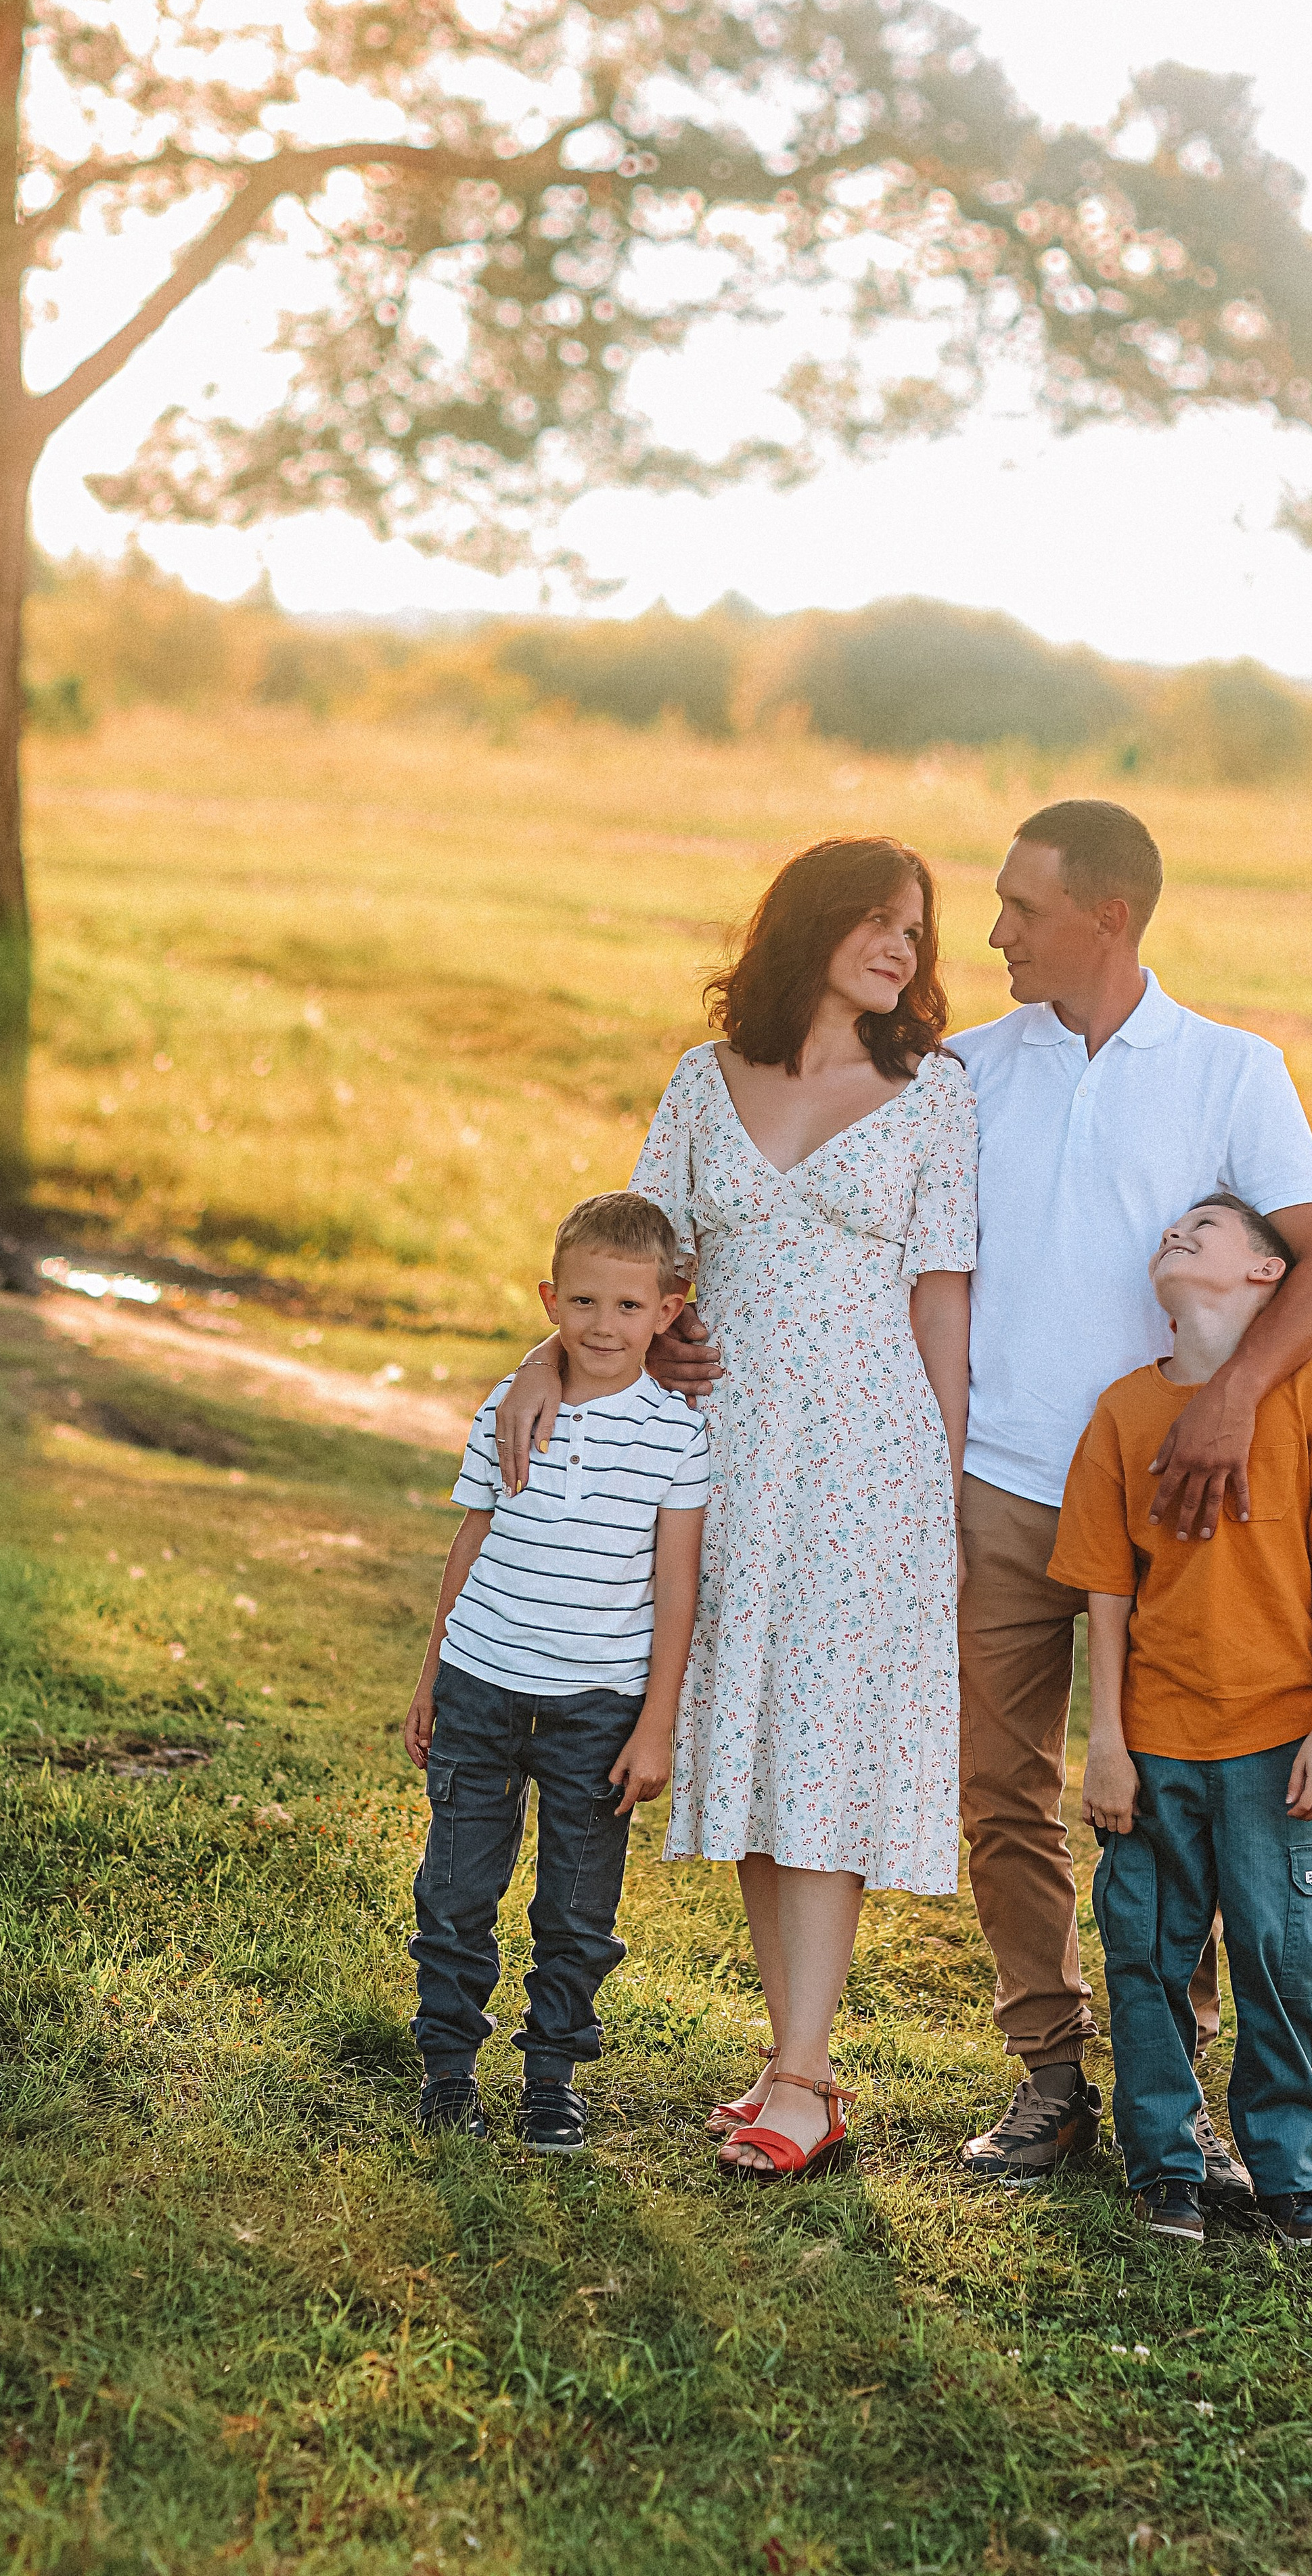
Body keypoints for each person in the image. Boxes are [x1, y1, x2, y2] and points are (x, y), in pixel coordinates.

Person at [497, 836, 976, 2182]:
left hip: (865, 1458)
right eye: (878, 923)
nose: (900, 951)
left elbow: (942, 1297)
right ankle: (785, 2059)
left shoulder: (931, 1091)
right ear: (809, 925)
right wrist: (561, 1356)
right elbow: (629, 1265)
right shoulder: (703, 1086)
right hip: (718, 1452)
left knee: (820, 1748)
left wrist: (933, 1490)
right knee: (759, 1752)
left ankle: (807, 2080)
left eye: (916, 933)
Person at [948, 797, 1312, 2185]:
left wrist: (1232, 1400)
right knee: (999, 1788)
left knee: (1173, 1796)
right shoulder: (961, 1070)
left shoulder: (1229, 1073)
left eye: (1020, 905)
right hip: (1000, 1482)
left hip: (1176, 1507)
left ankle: (1170, 2089)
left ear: (1105, 917)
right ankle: (1051, 2073)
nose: (994, 928)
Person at [1049, 1192, 1312, 2246]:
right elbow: (1107, 1593)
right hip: (1153, 1746)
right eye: (1169, 1232)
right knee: (1147, 1954)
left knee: (1283, 1963)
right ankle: (1167, 2173)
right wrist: (1105, 1740)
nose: (1176, 1238)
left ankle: (1288, 2178)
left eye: (1207, 1230)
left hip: (1281, 1746)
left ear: (1268, 1274)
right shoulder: (1120, 1415)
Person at [403, 1191, 708, 2155]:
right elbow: (473, 1539)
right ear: (549, 1300)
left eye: (627, 1308)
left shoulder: (678, 1434)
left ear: (667, 1310)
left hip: (597, 1709)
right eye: (583, 1304)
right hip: (481, 1688)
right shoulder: (511, 1404)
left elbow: (677, 1589)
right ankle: (448, 2068)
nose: (603, 1326)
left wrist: (657, 1724)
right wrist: (430, 1675)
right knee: (455, 1892)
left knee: (578, 1908)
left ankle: (552, 2079)